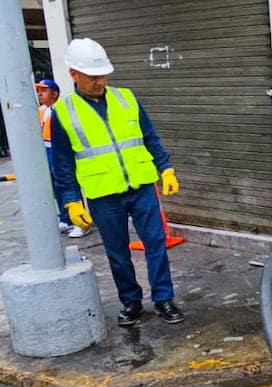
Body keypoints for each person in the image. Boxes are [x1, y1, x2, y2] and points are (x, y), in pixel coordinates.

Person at [51, 37, 184, 326]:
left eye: (103, 75)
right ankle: (131, 301)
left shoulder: (126, 98)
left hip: (141, 187)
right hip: (103, 194)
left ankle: (163, 298)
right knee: (117, 252)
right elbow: (62, 165)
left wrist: (166, 169)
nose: (100, 81)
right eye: (93, 76)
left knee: (156, 243)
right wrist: (71, 202)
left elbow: (150, 138)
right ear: (73, 74)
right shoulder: (63, 113)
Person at [36, 79, 85, 237]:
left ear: (54, 93)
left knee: (68, 185)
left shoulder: (62, 110)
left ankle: (81, 222)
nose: (40, 94)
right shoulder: (42, 111)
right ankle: (66, 218)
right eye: (39, 91)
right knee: (57, 187)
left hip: (60, 151)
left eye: (44, 90)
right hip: (47, 150)